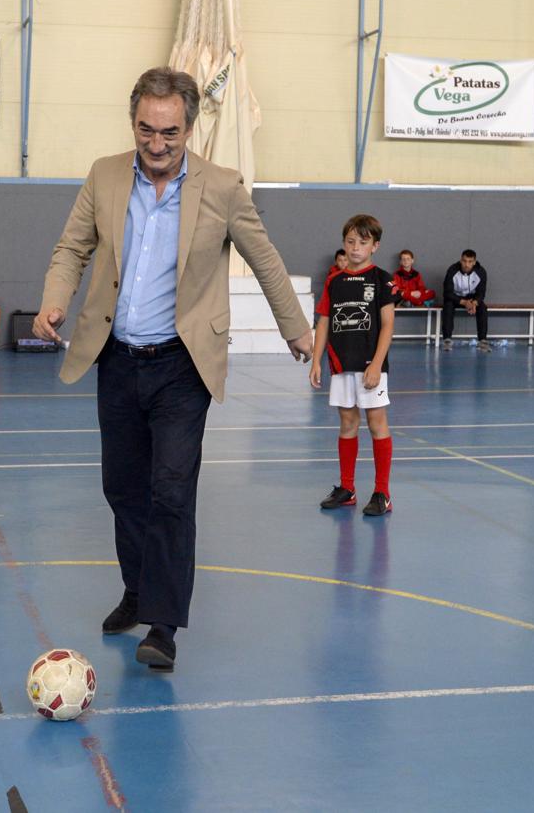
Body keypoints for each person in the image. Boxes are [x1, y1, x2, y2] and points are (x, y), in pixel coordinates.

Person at [32, 66, 313, 672]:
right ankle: (136, 589)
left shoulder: (223, 186)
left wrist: (296, 327)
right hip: (117, 357)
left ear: (189, 127)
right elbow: (72, 247)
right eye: (145, 131)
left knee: (172, 491)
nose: (157, 146)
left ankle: (163, 624)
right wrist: (57, 298)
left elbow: (264, 259)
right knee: (122, 489)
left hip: (183, 364)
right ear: (133, 122)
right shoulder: (105, 175)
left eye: (170, 133)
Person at [310, 214, 395, 516]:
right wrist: (317, 360)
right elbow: (323, 322)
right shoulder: (334, 281)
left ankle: (382, 493)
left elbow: (387, 326)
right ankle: (347, 488)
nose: (356, 247)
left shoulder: (382, 279)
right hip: (341, 364)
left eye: (363, 242)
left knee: (376, 424)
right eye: (350, 242)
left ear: (375, 246)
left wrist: (377, 365)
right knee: (347, 424)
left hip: (371, 365)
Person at [441, 249, 490, 352]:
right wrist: (464, 302)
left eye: (470, 261)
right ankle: (447, 340)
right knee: (448, 306)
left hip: (472, 299)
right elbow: (447, 292)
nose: (466, 264)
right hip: (455, 298)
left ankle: (482, 341)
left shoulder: (481, 272)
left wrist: (474, 303)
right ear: (460, 260)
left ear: (474, 262)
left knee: (483, 308)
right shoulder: (452, 270)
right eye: (464, 261)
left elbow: (481, 293)